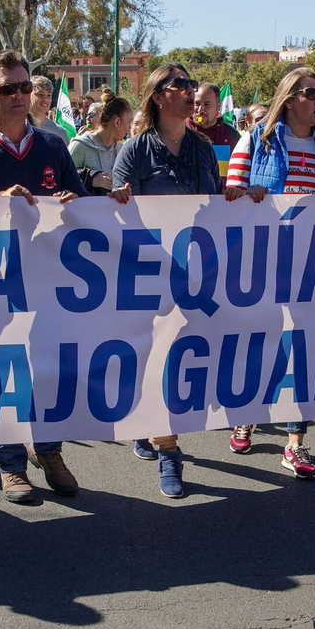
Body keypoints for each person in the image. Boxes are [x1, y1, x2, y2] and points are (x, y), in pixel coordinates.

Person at [0, 48, 88, 503]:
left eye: (26, 86)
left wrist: (74, 200)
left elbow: (82, 204)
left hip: (48, 280)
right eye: (9, 88)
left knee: (46, 368)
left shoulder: (51, 146)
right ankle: (10, 463)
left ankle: (49, 450)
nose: (21, 95)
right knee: (3, 370)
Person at [224, 66, 315, 479]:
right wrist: (248, 194)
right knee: (262, 342)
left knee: (307, 349)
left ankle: (295, 442)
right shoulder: (257, 139)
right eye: (310, 92)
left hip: (314, 265)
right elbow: (229, 194)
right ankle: (248, 413)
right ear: (290, 97)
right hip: (265, 260)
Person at [110, 64, 223, 498]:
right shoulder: (135, 151)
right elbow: (119, 214)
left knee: (178, 360)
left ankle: (150, 427)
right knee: (155, 359)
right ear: (158, 96)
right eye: (182, 86)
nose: (192, 92)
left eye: (194, 85)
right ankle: (169, 452)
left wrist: (233, 200)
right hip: (147, 276)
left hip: (191, 274)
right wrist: (117, 198)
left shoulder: (201, 147)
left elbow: (211, 207)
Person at [69, 96, 132, 193]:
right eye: (129, 122)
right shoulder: (80, 145)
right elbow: (63, 178)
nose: (130, 127)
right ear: (117, 122)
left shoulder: (121, 148)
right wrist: (90, 179)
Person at [29, 75, 70, 144]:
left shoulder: (59, 132)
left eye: (49, 95)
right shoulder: (17, 128)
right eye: (40, 94)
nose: (45, 99)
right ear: (28, 95)